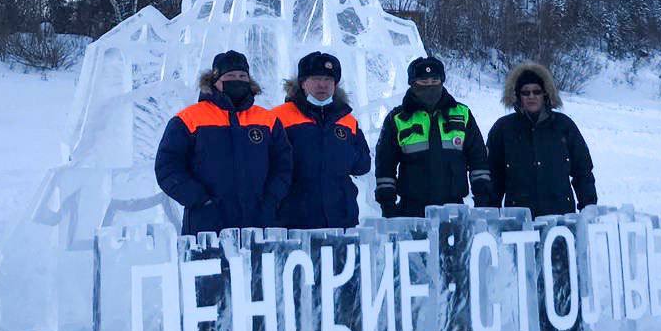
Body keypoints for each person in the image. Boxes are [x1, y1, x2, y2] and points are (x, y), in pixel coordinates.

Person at [154, 49, 292, 235]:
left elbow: (284, 165)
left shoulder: (267, 120)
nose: (237, 80)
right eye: (230, 75)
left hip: (259, 223)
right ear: (214, 81)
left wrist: (271, 198)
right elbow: (167, 167)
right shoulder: (188, 119)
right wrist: (199, 199)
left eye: (242, 75)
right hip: (207, 226)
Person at [374, 56, 493, 217]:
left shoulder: (462, 114)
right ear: (412, 83)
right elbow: (385, 165)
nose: (429, 85)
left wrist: (482, 200)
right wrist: (388, 205)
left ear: (442, 81)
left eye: (434, 80)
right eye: (423, 81)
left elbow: (478, 159)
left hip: (454, 209)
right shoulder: (397, 118)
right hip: (412, 212)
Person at [272, 51, 371, 230]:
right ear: (302, 83)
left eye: (328, 80)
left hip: (340, 218)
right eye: (316, 79)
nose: (322, 85)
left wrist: (342, 155)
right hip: (294, 220)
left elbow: (363, 164)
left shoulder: (347, 120)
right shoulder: (279, 117)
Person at [486, 61, 597, 218]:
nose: (531, 96)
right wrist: (490, 214)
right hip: (518, 219)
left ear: (545, 93)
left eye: (536, 91)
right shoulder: (503, 128)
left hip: (561, 218)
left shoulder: (564, 126)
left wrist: (589, 206)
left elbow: (583, 171)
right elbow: (493, 176)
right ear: (517, 95)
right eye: (525, 92)